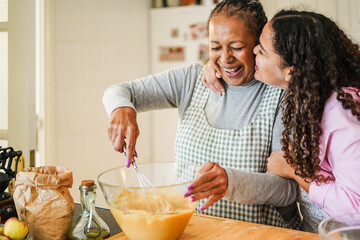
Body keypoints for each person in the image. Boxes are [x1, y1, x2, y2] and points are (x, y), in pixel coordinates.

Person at [103, 0, 300, 228]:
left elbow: (289, 190)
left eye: (236, 47)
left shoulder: (281, 95)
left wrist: (230, 183)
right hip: (195, 230)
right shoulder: (191, 80)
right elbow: (118, 91)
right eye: (216, 47)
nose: (225, 58)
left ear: (258, 46)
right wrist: (121, 109)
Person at [200, 9, 360, 232]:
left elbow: (355, 209)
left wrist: (294, 170)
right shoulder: (308, 93)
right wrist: (215, 63)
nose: (253, 49)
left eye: (262, 51)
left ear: (291, 72)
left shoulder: (343, 112)